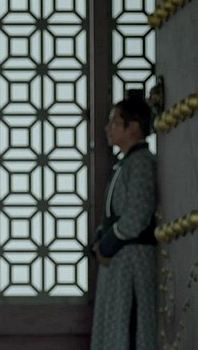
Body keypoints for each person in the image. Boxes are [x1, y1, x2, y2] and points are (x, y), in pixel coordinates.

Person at [90, 90, 157, 349]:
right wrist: (99, 241)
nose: (108, 128)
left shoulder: (142, 163)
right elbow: (111, 215)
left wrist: (107, 245)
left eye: (115, 122)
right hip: (118, 260)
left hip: (132, 260)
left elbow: (136, 217)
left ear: (133, 127)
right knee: (114, 326)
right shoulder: (126, 164)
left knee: (130, 328)